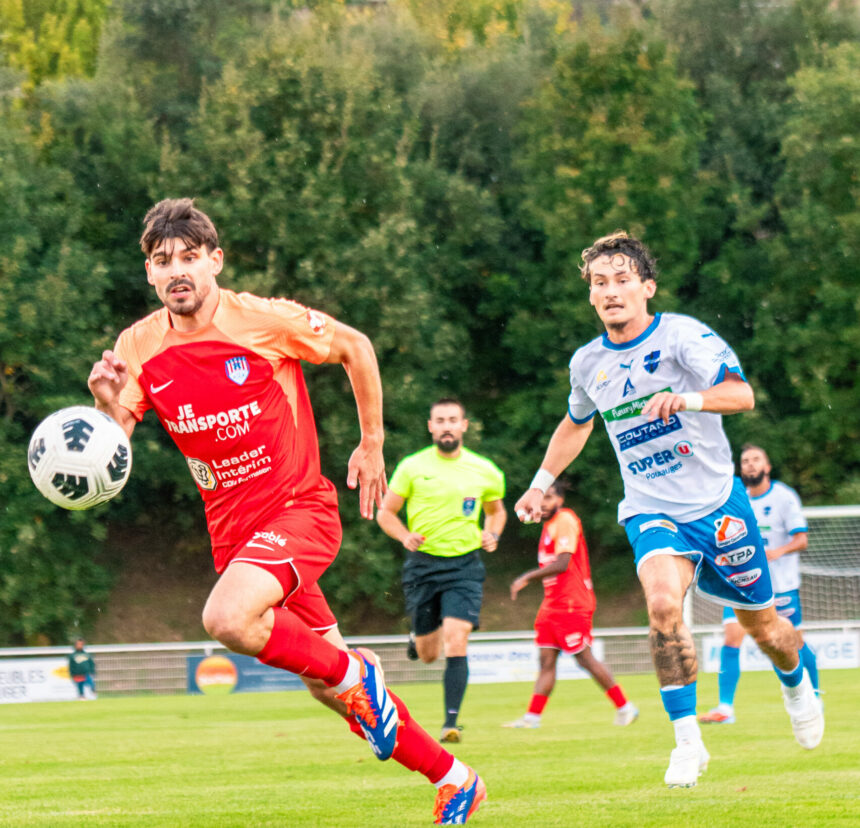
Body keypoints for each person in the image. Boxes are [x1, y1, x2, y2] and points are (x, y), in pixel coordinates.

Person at [87, 198, 485, 825]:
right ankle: (454, 777)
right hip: (236, 538)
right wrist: (110, 405)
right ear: (149, 274)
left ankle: (358, 676)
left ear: (215, 260)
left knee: (227, 617)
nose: (177, 271)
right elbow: (114, 452)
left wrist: (372, 440)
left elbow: (355, 347)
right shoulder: (137, 345)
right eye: (163, 262)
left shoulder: (262, 320)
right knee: (333, 689)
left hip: (300, 512)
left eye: (191, 257)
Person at [514, 230, 824, 789]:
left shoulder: (683, 336)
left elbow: (742, 394)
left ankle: (797, 685)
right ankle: (688, 742)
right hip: (650, 508)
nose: (612, 291)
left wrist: (688, 398)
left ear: (646, 287)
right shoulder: (587, 363)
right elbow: (576, 423)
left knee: (766, 628)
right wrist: (540, 483)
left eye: (623, 280)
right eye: (600, 283)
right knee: (662, 606)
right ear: (590, 295)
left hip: (718, 505)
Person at [377, 398, 507, 743]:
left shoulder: (485, 470)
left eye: (453, 419)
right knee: (428, 653)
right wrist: (405, 536)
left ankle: (451, 723)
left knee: (456, 637)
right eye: (440, 420)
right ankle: (416, 637)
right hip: (423, 565)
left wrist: (491, 534)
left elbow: (496, 511)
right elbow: (386, 513)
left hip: (465, 565)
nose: (447, 425)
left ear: (464, 425)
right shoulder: (411, 466)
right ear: (431, 427)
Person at [504, 479, 638, 728]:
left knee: (584, 658)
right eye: (540, 498)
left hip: (571, 602)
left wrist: (526, 577)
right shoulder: (548, 525)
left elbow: (563, 563)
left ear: (560, 500)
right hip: (552, 603)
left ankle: (625, 707)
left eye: (549, 498)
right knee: (546, 660)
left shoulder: (565, 519)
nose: (543, 503)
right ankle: (532, 718)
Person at [700, 443, 819, 724]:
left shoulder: (784, 497)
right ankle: (725, 709)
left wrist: (776, 553)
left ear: (767, 467)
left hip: (781, 585)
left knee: (793, 641)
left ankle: (814, 697)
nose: (750, 465)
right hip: (743, 585)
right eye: (745, 461)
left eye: (756, 460)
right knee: (732, 636)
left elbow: (801, 539)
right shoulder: (734, 497)